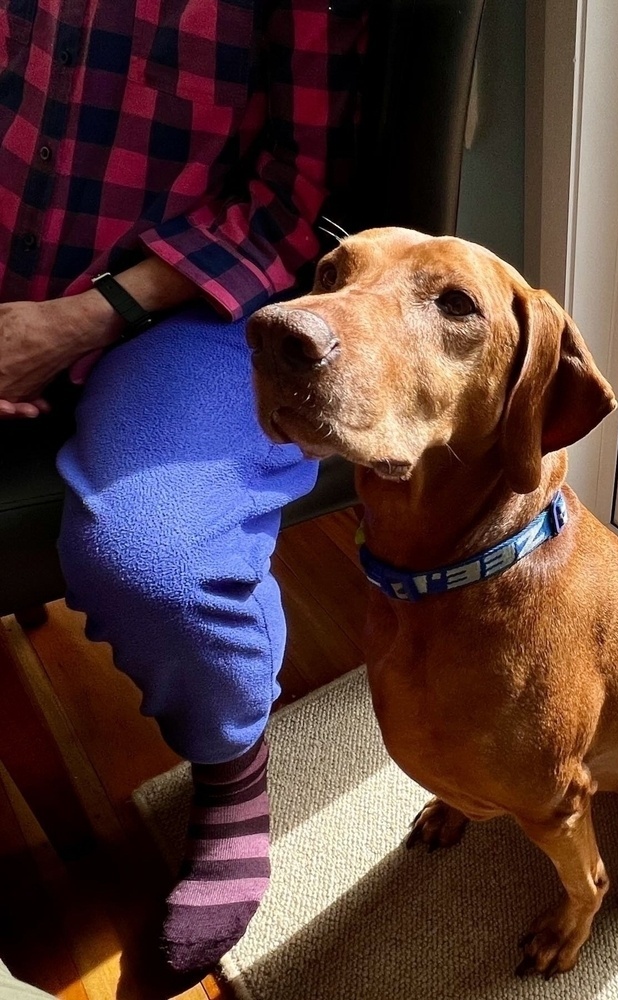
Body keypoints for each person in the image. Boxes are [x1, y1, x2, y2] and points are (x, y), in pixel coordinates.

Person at [0, 0, 366, 976]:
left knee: (157, 560)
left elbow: (297, 200)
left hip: (194, 298)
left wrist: (79, 320)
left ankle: (231, 772)